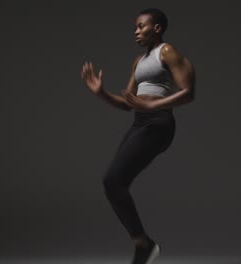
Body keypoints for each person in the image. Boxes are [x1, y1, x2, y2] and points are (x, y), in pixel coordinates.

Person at [80, 8, 195, 264]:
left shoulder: (166, 51)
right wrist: (101, 93)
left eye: (141, 26)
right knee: (112, 183)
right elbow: (127, 104)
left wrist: (155, 106)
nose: (136, 31)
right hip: (140, 122)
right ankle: (143, 244)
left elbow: (189, 92)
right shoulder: (138, 62)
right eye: (134, 27)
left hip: (159, 123)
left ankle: (143, 243)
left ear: (157, 28)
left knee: (113, 179)